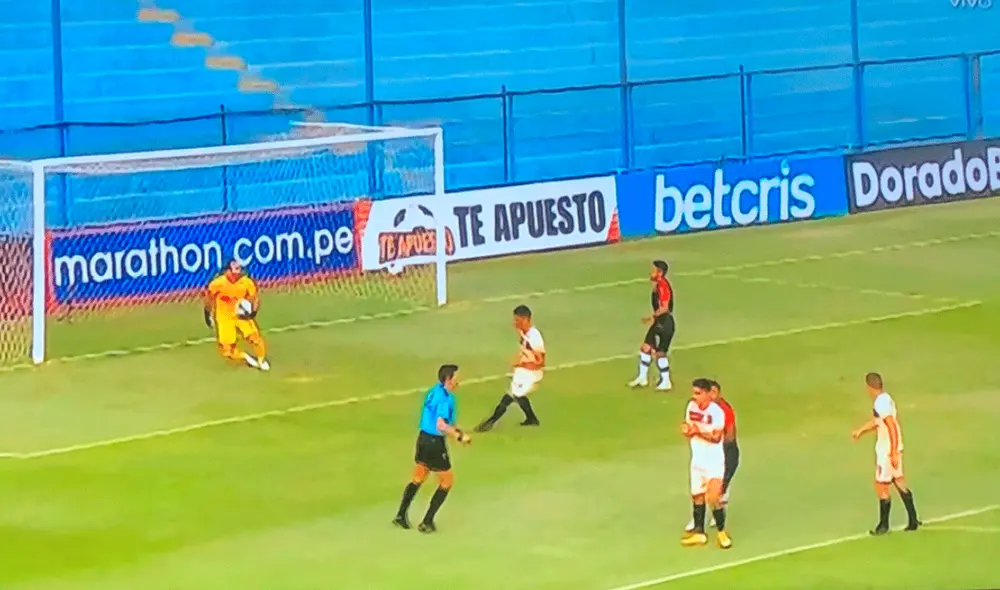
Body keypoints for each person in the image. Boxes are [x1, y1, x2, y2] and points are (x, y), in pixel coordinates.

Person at [393, 364, 471, 533]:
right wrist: (458, 436)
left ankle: (400, 515)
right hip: (435, 443)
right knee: (447, 481)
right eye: (457, 377)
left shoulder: (433, 391)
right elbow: (441, 424)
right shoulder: (445, 398)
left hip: (423, 439)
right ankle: (427, 521)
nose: (459, 381)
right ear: (449, 379)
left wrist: (457, 430)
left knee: (419, 476)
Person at [852, 372, 921, 535]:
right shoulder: (885, 399)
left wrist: (893, 452)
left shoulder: (880, 404)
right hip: (893, 448)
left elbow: (892, 426)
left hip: (887, 450)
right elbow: (878, 422)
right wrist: (861, 430)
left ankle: (883, 525)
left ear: (869, 387)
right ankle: (913, 520)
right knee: (899, 481)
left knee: (881, 485)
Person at [475, 305, 545, 431]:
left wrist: (521, 365)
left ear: (525, 319)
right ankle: (532, 418)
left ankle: (490, 422)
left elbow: (540, 362)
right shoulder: (525, 334)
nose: (515, 323)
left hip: (531, 373)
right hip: (524, 371)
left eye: (517, 321)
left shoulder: (534, 337)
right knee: (517, 395)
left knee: (510, 396)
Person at [681, 378, 732, 549]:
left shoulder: (717, 412)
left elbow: (716, 437)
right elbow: (689, 427)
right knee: (697, 496)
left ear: (707, 394)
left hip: (714, 461)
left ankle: (722, 532)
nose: (694, 397)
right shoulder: (691, 407)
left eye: (698, 393)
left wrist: (697, 431)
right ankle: (699, 533)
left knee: (714, 497)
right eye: (693, 393)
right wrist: (687, 431)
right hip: (697, 459)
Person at [204, 260, 269, 371]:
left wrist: (253, 312)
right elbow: (208, 299)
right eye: (236, 269)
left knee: (255, 338)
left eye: (239, 269)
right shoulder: (217, 284)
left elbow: (255, 299)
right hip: (224, 317)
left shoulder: (247, 282)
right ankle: (245, 357)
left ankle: (261, 360)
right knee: (227, 351)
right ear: (228, 271)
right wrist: (207, 314)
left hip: (241, 315)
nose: (238, 272)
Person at [629, 260, 675, 391]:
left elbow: (665, 307)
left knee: (660, 353)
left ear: (660, 273)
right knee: (645, 348)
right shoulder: (658, 285)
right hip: (659, 323)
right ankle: (642, 378)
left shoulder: (663, 286)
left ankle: (666, 381)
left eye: (653, 270)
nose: (651, 272)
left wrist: (652, 317)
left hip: (665, 324)